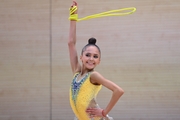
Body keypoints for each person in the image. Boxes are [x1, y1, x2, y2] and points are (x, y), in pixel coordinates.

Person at [68, 1, 124, 120]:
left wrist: (104, 112)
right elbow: (71, 43)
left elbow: (118, 91)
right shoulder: (77, 72)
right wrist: (73, 17)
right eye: (88, 55)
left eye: (95, 56)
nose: (91, 59)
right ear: (81, 57)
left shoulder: (94, 76)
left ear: (99, 61)